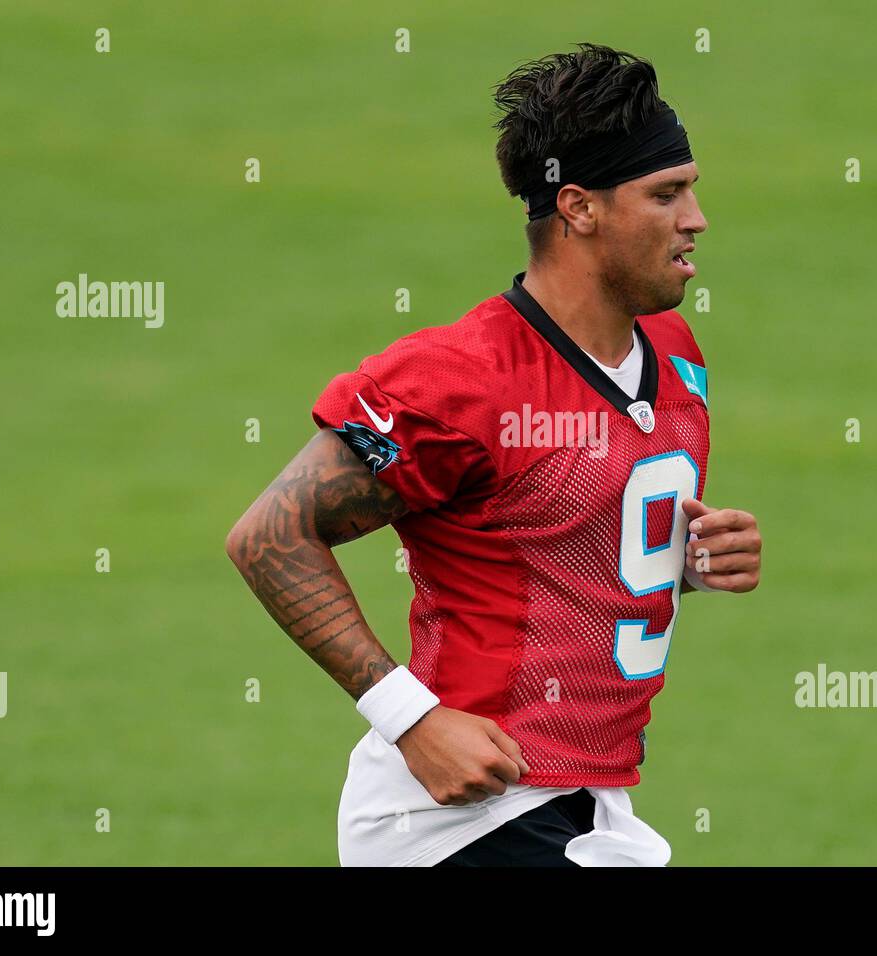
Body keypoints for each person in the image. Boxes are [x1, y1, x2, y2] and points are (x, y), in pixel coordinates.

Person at [226, 43, 761, 867]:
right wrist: (411, 718)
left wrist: (687, 561)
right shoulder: (458, 382)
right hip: (462, 818)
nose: (697, 218)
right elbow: (269, 536)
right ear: (579, 208)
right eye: (666, 193)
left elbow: (556, 533)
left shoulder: (674, 348)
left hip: (585, 800)